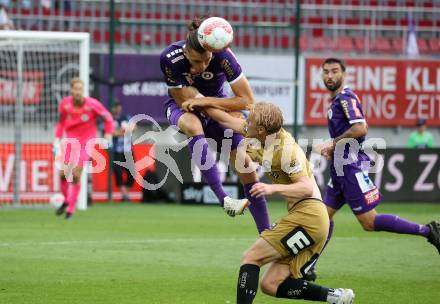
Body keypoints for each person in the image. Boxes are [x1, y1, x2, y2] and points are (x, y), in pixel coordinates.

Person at [202, 103, 354, 304]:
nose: (246, 122)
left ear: (262, 130)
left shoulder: (287, 149)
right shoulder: (258, 133)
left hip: (309, 217)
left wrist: (272, 188)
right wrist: (200, 103)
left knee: (251, 257)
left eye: (250, 120)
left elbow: (307, 187)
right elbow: (224, 119)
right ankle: (336, 297)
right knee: (271, 284)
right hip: (309, 221)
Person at [313, 58, 440, 273]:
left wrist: (332, 143)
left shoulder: (345, 98)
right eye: (326, 72)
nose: (329, 76)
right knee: (322, 218)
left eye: (335, 71)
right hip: (340, 167)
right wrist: (334, 149)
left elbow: (361, 128)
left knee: (369, 222)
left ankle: (428, 231)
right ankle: (309, 266)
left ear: (344, 74)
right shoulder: (337, 101)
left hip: (349, 169)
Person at [159, 16, 270, 233]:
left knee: (245, 167)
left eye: (207, 61)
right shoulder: (169, 58)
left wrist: (210, 104)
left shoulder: (224, 56)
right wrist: (223, 116)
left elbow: (247, 100)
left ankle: (266, 231)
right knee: (192, 125)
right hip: (181, 106)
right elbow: (185, 101)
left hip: (215, 105)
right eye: (196, 62)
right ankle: (224, 199)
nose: (201, 67)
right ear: (186, 53)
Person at [53, 78, 113, 219]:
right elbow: (61, 123)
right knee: (62, 175)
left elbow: (108, 117)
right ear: (71, 90)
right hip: (70, 141)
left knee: (75, 174)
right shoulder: (65, 104)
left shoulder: (92, 105)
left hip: (86, 143)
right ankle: (66, 200)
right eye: (76, 89)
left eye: (81, 89)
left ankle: (71, 210)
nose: (78, 92)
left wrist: (108, 134)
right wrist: (56, 139)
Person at [111, 100, 135, 202]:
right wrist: (122, 131)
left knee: (131, 173)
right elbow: (111, 133)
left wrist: (122, 131)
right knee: (118, 173)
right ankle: (125, 195)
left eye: (118, 106)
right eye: (115, 106)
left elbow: (134, 126)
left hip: (128, 150)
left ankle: (125, 195)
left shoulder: (126, 117)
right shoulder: (109, 119)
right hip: (116, 150)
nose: (117, 108)